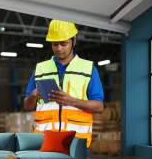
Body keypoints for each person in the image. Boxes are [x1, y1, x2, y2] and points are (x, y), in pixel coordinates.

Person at [24, 19, 104, 147]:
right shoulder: (40, 69)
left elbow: (99, 107)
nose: (59, 48)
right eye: (55, 44)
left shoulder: (88, 69)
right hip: (44, 142)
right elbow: (27, 106)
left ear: (74, 41)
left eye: (63, 44)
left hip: (75, 142)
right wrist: (33, 96)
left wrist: (71, 101)